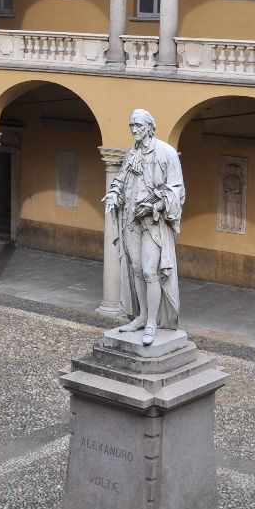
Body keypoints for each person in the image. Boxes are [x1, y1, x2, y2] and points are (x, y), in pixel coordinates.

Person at [104, 109, 185, 345]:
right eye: (131, 126)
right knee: (136, 269)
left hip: (154, 223)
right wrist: (114, 194)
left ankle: (152, 323)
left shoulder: (166, 153)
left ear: (150, 126)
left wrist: (152, 207)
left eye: (138, 125)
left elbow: (177, 190)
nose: (134, 130)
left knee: (151, 271)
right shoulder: (132, 153)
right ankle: (141, 317)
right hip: (131, 219)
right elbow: (121, 178)